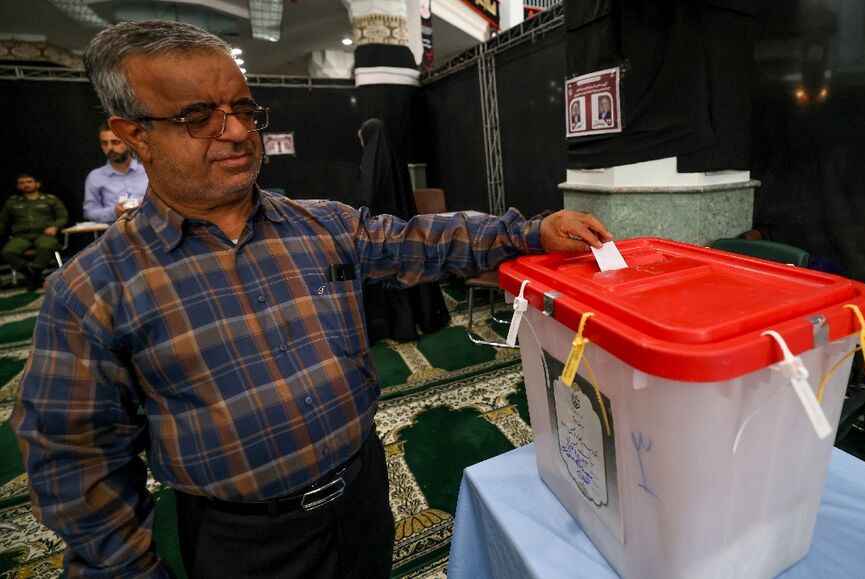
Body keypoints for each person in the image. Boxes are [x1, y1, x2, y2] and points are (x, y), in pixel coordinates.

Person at [11, 20, 611, 579]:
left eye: (243, 109)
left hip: (361, 495)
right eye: (200, 117)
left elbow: (419, 241)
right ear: (134, 135)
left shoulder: (319, 224)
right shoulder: (93, 289)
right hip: (248, 542)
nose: (240, 132)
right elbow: (76, 459)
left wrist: (530, 231)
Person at [355, 118, 450, 342]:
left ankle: (393, 327)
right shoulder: (396, 163)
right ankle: (423, 319)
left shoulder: (371, 167)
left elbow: (365, 199)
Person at [0, 174, 68, 291]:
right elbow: (2, 221)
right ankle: (30, 274)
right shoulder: (12, 202)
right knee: (8, 252)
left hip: (44, 234)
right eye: (22, 183)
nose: (26, 185)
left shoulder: (50, 200)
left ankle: (35, 273)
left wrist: (55, 226)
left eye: (29, 182)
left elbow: (63, 216)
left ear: (37, 184)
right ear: (18, 186)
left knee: (46, 247)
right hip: (21, 236)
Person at [83, 122, 149, 223]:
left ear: (127, 142)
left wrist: (145, 206)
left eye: (115, 142)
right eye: (105, 143)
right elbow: (89, 212)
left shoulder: (146, 171)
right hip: (115, 234)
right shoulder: (95, 177)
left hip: (152, 229)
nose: (110, 148)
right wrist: (114, 211)